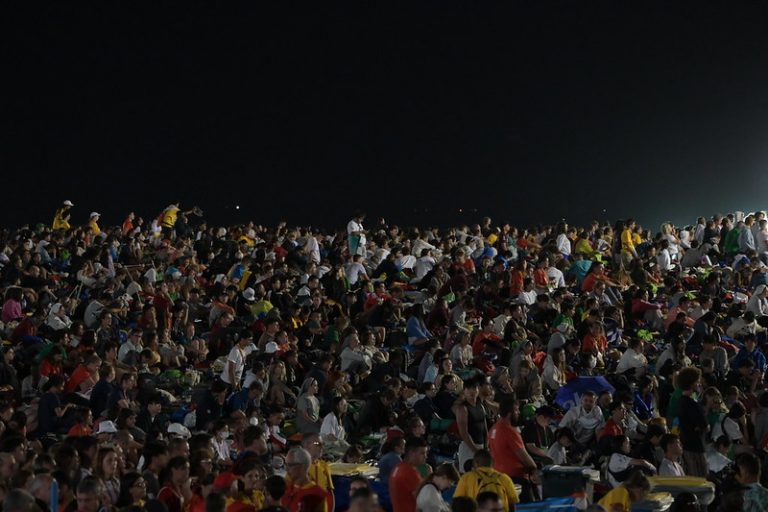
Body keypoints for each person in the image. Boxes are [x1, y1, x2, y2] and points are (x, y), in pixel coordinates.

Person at [488, 399, 537, 503]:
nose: (519, 412)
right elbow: (524, 456)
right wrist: (535, 470)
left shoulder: (493, 429)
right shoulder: (509, 431)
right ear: (510, 413)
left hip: (499, 477)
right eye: (517, 410)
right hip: (516, 479)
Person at [454, 449, 519, 512]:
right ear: (493, 462)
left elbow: (457, 502)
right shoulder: (504, 478)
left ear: (476, 463)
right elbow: (512, 504)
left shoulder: (467, 477)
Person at [676, 367, 709, 477]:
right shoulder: (693, 405)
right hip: (696, 448)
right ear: (692, 383)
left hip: (685, 445)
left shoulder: (681, 401)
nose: (699, 384)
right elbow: (705, 426)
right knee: (700, 478)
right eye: (697, 381)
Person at [455, 376, 488, 471]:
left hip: (481, 446)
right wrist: (475, 450)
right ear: (464, 391)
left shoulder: (481, 406)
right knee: (467, 475)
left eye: (474, 388)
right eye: (468, 389)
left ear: (478, 390)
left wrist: (486, 446)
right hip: (468, 446)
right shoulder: (462, 408)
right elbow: (463, 433)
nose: (471, 391)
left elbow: (485, 428)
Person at [281, 447, 329, 512]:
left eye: (290, 465)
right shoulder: (283, 488)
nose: (286, 469)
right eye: (285, 464)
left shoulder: (318, 494)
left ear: (302, 466)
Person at [389, 437, 428, 512]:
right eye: (422, 453)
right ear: (411, 453)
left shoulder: (397, 468)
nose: (426, 456)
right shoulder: (410, 473)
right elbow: (424, 501)